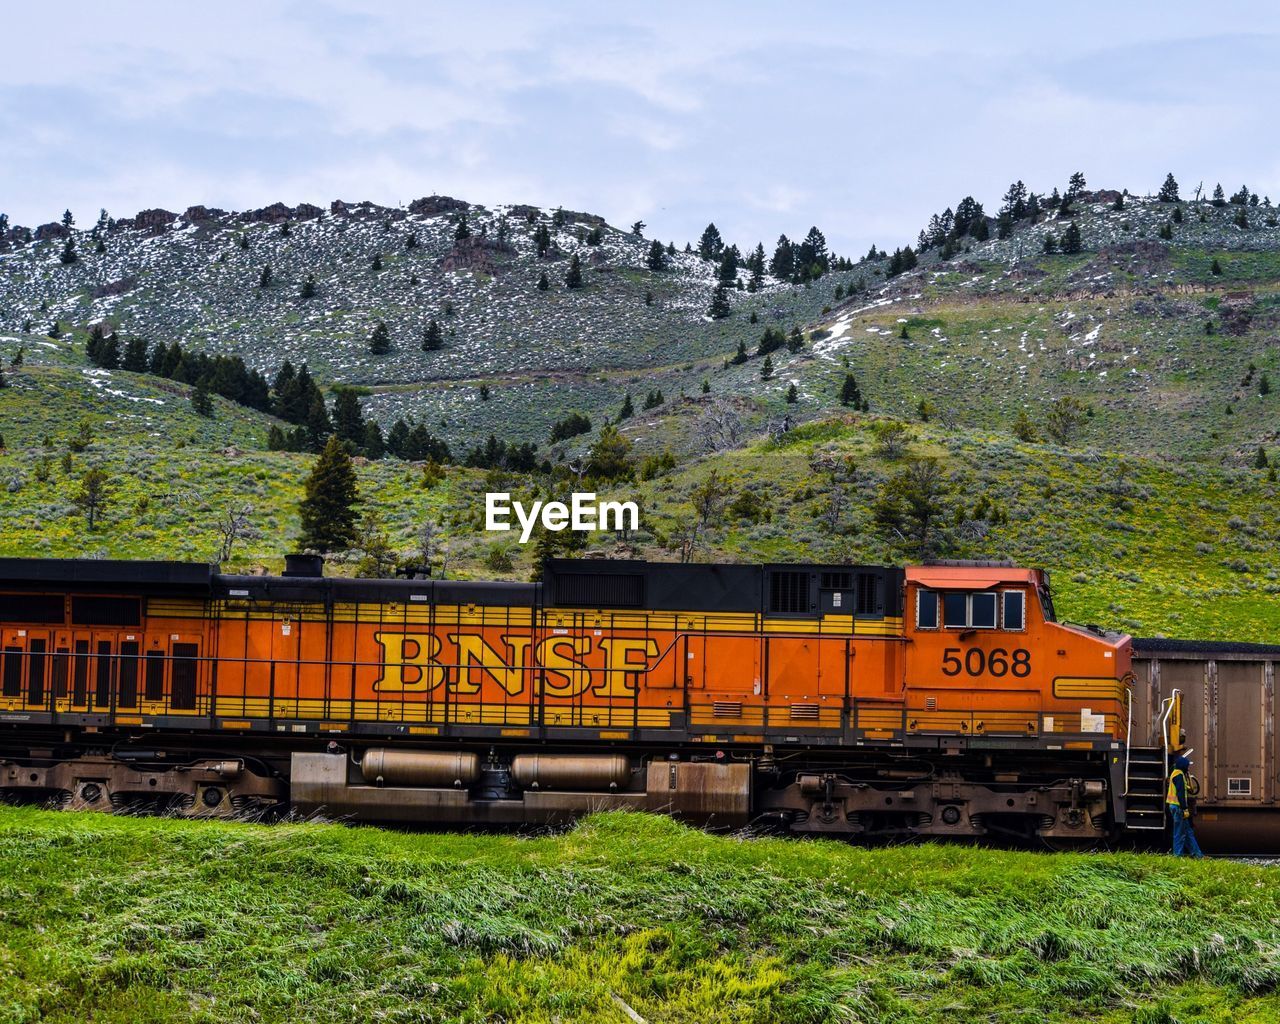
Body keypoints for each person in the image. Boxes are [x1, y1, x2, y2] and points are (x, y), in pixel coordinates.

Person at [1166, 753, 1203, 858]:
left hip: (1175, 806)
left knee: (1188, 831)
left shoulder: (1175, 773)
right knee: (1180, 833)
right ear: (1184, 766)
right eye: (1187, 766)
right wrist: (1185, 809)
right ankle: (1177, 856)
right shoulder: (1179, 776)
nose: (1188, 768)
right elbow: (1181, 793)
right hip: (1178, 808)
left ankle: (1197, 855)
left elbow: (1188, 789)